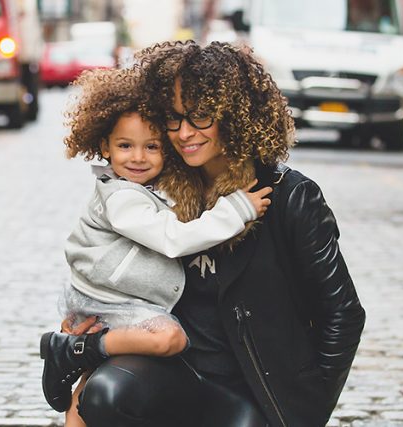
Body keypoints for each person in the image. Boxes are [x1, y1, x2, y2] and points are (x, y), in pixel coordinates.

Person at [67, 41, 367, 427]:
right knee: (105, 394)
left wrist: (304, 411)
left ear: (234, 114)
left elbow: (343, 316)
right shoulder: (158, 190)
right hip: (175, 372)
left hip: (251, 390)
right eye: (173, 118)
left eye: (201, 117)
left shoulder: (289, 197)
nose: (184, 133)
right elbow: (109, 265)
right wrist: (85, 332)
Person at [40, 67, 273, 427]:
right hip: (110, 300)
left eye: (152, 147)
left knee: (87, 398)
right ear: (104, 146)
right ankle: (70, 351)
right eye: (125, 146)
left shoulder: (146, 188)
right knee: (169, 338)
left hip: (113, 298)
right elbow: (173, 239)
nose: (138, 157)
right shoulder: (121, 198)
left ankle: (80, 364)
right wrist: (237, 210)